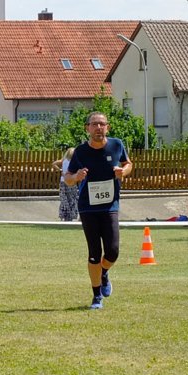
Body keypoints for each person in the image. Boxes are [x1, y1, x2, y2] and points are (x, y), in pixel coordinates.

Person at [65, 111, 132, 310]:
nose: (98, 128)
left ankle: (103, 272)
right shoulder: (80, 152)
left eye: (102, 124)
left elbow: (128, 164)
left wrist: (123, 171)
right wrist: (76, 176)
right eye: (94, 124)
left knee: (112, 251)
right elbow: (67, 178)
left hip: (110, 205)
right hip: (88, 207)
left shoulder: (116, 145)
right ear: (87, 128)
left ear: (107, 127)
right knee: (94, 252)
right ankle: (96, 296)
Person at [53, 147, 79, 221]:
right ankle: (71, 214)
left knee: (64, 198)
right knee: (72, 198)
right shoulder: (74, 161)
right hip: (71, 181)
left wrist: (60, 170)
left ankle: (65, 214)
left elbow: (54, 164)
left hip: (63, 181)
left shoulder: (64, 160)